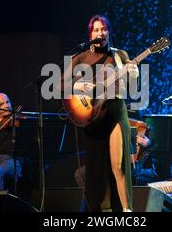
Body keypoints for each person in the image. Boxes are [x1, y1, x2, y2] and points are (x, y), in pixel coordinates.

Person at [64, 15, 139, 212]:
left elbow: (132, 89)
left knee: (119, 165)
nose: (100, 33)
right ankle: (98, 212)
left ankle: (126, 211)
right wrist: (80, 84)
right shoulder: (80, 58)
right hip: (94, 115)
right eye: (96, 30)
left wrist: (134, 75)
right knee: (97, 171)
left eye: (104, 29)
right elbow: (61, 85)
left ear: (109, 32)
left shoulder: (120, 55)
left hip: (116, 111)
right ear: (90, 34)